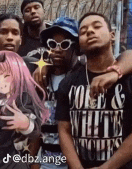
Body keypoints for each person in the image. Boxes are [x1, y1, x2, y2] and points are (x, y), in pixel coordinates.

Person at [56, 12, 132, 168]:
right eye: (83, 31)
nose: (90, 31)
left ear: (112, 35)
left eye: (97, 26)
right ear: (80, 43)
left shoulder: (128, 78)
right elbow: (64, 131)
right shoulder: (68, 83)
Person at [31, 17, 79, 169]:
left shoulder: (81, 77)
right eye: (52, 44)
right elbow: (38, 126)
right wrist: (32, 163)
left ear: (75, 47)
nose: (57, 49)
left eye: (64, 44)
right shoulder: (41, 80)